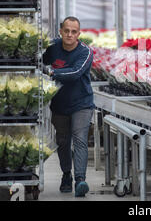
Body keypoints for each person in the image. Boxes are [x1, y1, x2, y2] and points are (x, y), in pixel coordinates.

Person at [43, 16, 94, 197]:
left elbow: (75, 72)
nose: (70, 35)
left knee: (80, 139)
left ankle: (80, 179)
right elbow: (38, 59)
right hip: (59, 104)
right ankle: (66, 175)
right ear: (60, 31)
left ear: (79, 34)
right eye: (66, 31)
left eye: (74, 32)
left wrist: (51, 71)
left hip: (82, 104)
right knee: (63, 141)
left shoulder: (85, 52)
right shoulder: (53, 47)